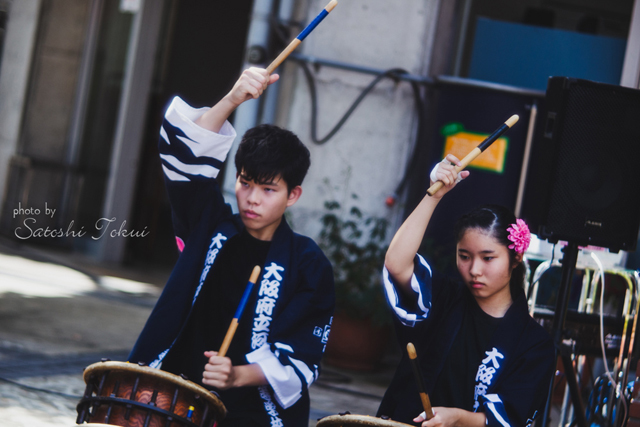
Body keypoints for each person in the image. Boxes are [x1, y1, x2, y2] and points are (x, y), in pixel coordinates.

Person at [128, 67, 335, 426]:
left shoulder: (308, 263)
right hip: (177, 394)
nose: (252, 199)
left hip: (253, 411)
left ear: (293, 195)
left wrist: (237, 375)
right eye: (245, 183)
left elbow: (303, 356)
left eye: (268, 190)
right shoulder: (211, 227)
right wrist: (233, 98)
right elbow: (185, 161)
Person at [377, 154, 555, 427]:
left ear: (516, 257)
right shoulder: (445, 298)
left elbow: (513, 417)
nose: (474, 270)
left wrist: (458, 418)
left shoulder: (534, 343)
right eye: (464, 256)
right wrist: (433, 195)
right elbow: (397, 264)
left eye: (488, 258)